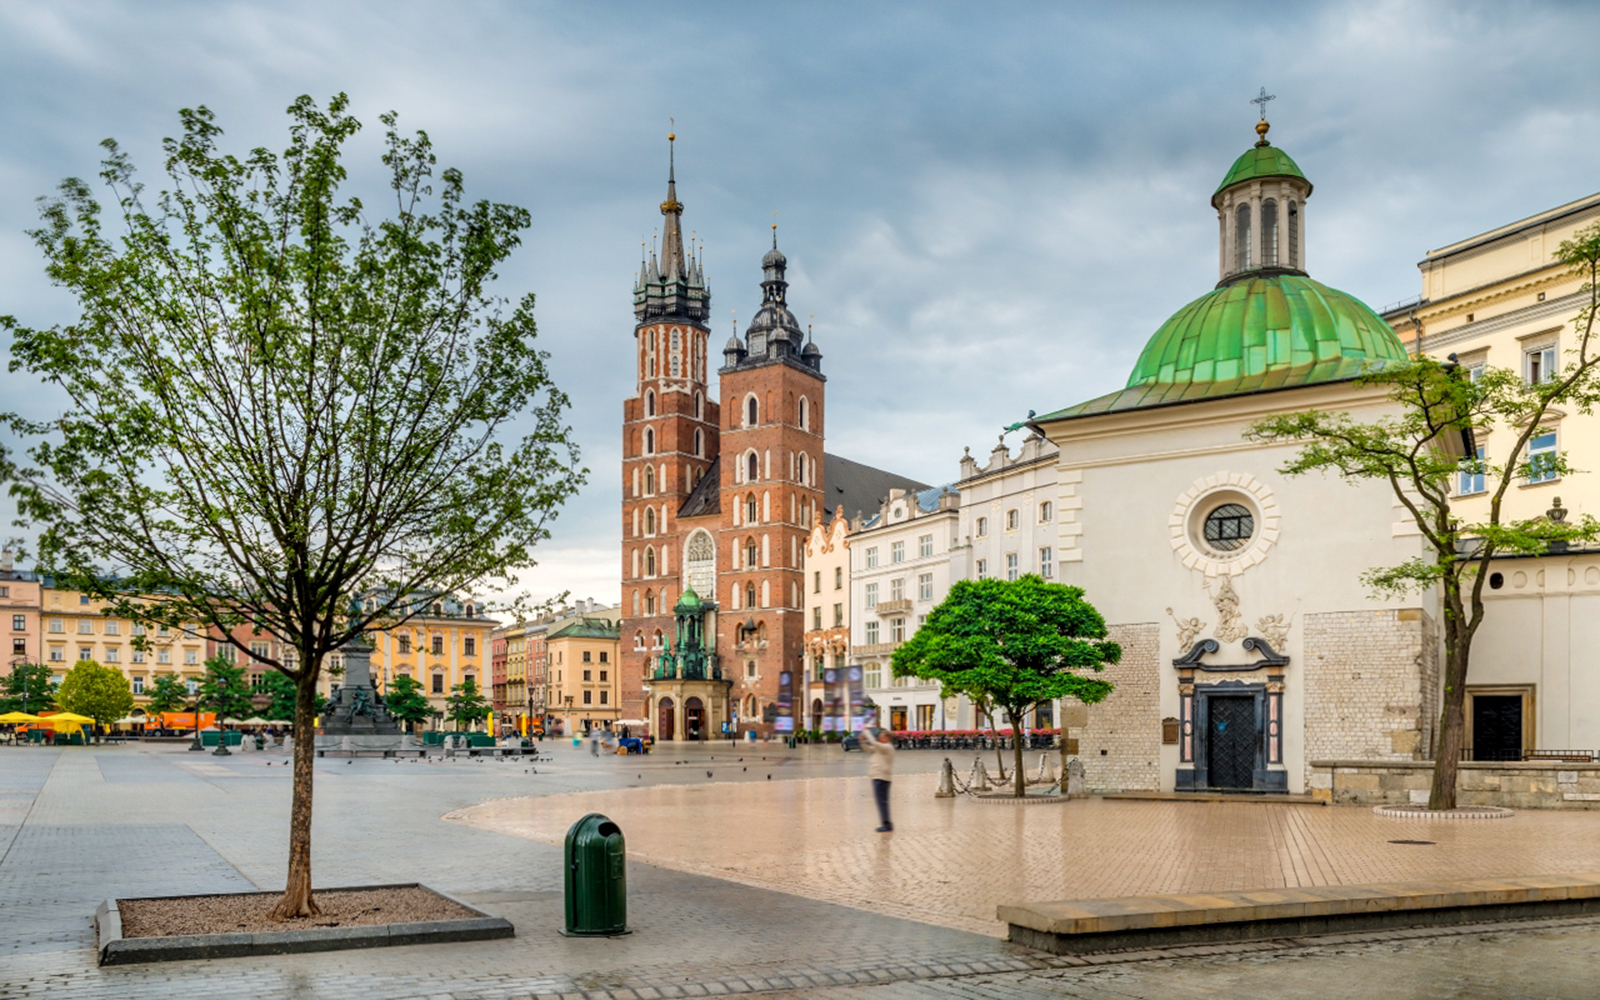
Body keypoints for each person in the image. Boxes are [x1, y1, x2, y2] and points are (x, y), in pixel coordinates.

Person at [861, 726, 895, 832]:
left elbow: (875, 744)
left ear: (887, 738)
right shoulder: (881, 748)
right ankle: (886, 822)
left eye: (881, 737)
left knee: (882, 802)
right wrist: (862, 741)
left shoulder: (887, 747)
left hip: (882, 777)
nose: (879, 738)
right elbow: (869, 749)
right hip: (878, 776)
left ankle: (886, 823)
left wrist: (867, 732)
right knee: (881, 802)